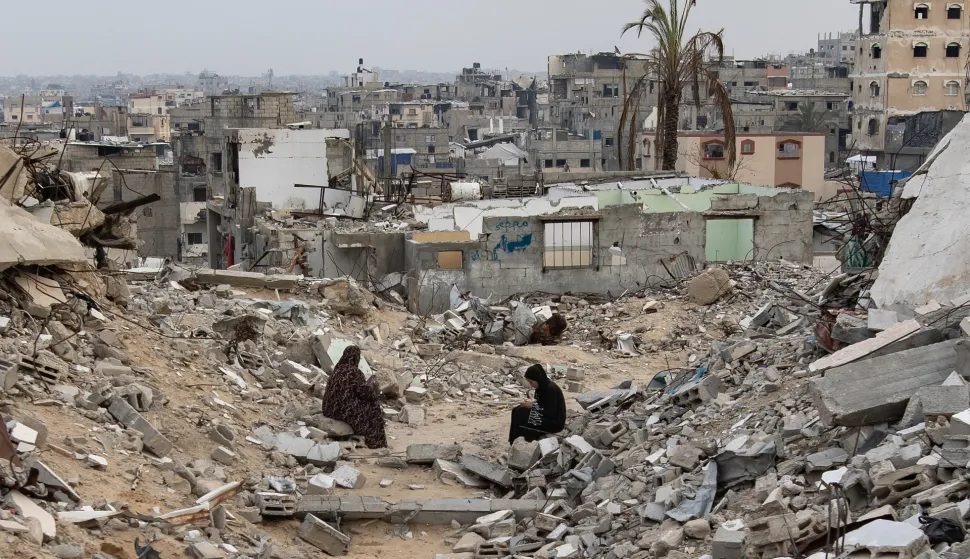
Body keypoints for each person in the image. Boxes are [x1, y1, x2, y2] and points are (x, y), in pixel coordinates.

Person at [320, 346, 388, 449]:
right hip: (342, 410)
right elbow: (364, 393)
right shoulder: (354, 372)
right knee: (373, 410)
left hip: (329, 408)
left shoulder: (337, 370)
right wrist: (373, 391)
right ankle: (376, 443)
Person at [508, 364, 566, 444]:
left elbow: (550, 412)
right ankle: (514, 441)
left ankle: (525, 441)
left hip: (554, 422)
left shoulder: (550, 389)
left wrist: (532, 406)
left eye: (531, 382)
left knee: (524, 414)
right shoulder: (541, 387)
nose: (531, 384)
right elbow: (542, 404)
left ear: (537, 379)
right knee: (516, 410)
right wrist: (531, 405)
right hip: (545, 416)